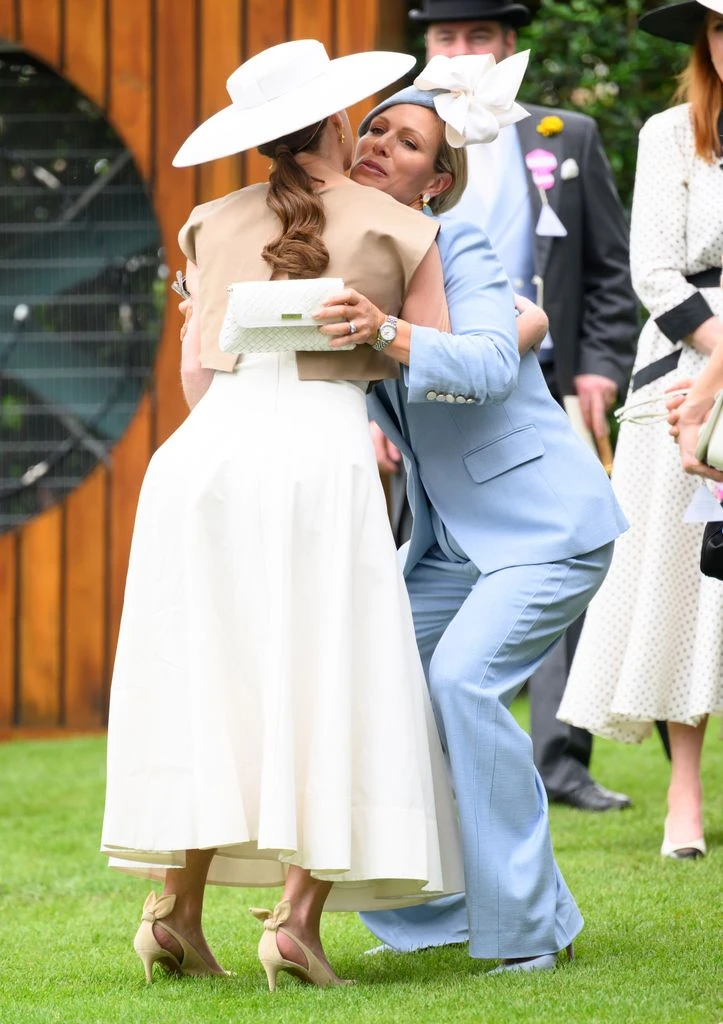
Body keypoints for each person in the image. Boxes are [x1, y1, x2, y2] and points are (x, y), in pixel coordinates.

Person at [100, 38, 467, 991]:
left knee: (211, 675)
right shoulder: (400, 225)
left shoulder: (205, 221)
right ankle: (295, 923)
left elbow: (192, 371)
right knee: (327, 674)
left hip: (204, 459)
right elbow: (436, 362)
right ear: (339, 121)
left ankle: (173, 912)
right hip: (320, 453)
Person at [311, 50, 629, 970]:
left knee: (460, 685)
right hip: (449, 544)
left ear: (438, 179)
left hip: (543, 530)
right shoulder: (357, 258)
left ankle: (524, 931)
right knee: (374, 686)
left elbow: (494, 359)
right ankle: (433, 917)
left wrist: (389, 335)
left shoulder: (462, 247)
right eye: (372, 127)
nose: (377, 144)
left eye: (405, 141)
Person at [373, 0, 639, 812]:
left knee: (542, 552)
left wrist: (597, 370)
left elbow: (603, 267)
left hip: (533, 370)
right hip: (413, 382)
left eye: (478, 36)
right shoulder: (390, 148)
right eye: (446, 36)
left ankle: (558, 757)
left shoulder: (565, 136)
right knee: (428, 564)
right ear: (424, 45)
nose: (461, 50)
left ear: (507, 45)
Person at [558, 0, 723, 860]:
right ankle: (682, 801)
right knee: (681, 581)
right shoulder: (668, 134)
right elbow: (651, 268)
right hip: (683, 372)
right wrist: (719, 358)